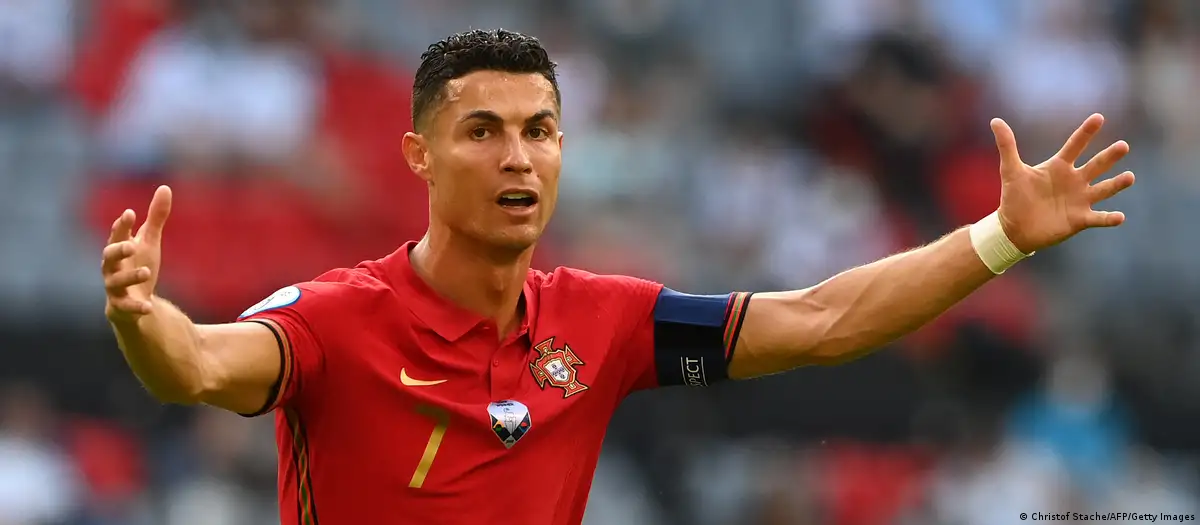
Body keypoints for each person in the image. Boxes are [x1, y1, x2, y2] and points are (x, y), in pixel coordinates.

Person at [100, 29, 1136, 525]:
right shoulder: (336, 319)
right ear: (419, 156)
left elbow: (822, 319)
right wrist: (143, 316)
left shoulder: (602, 321)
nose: (518, 157)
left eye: (541, 131)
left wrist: (1000, 237)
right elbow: (196, 367)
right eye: (483, 131)